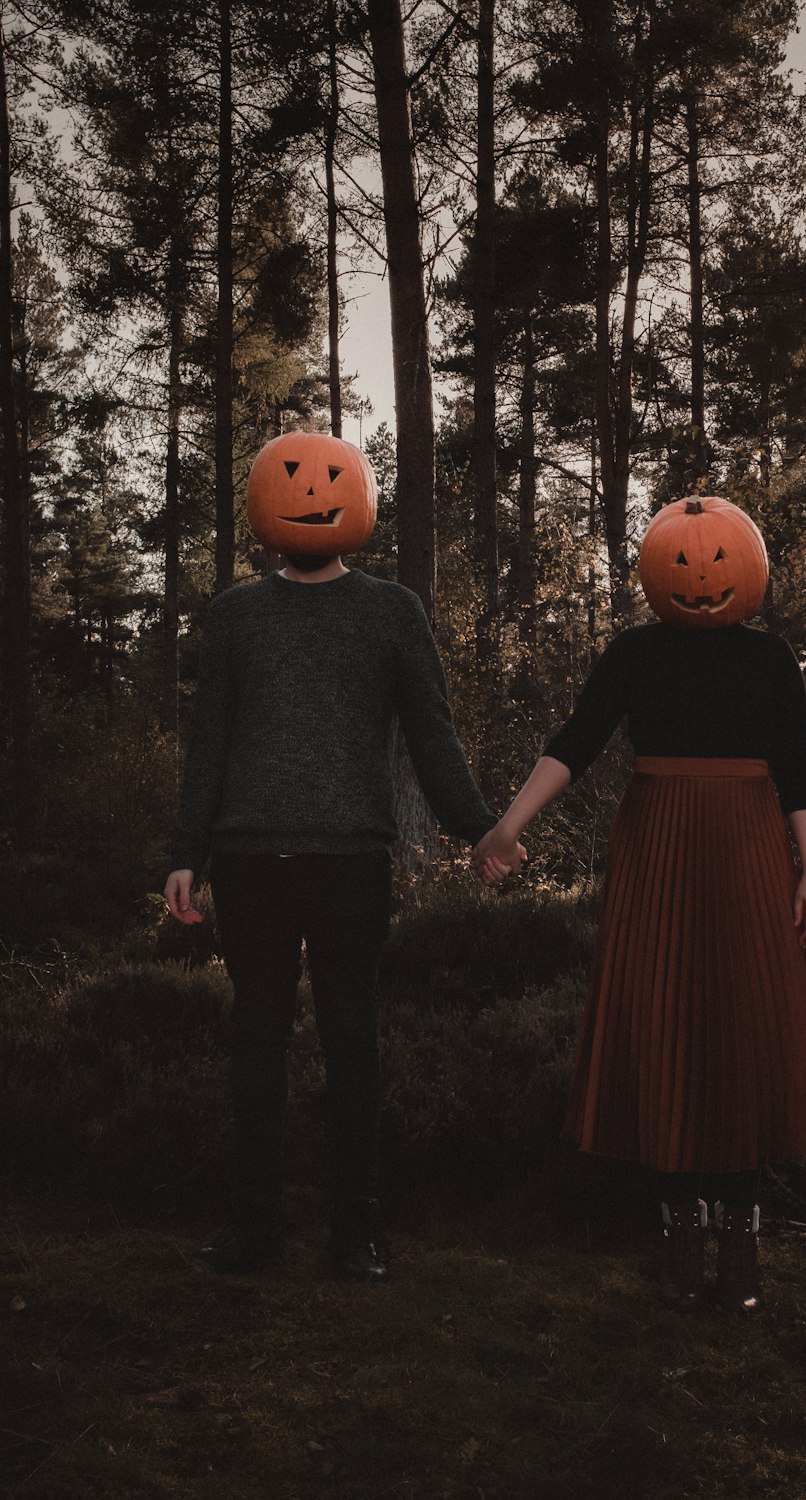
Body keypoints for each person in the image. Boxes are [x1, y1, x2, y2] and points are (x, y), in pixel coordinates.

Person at [473, 496, 806, 1313]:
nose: (701, 580)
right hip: (658, 844)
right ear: (655, 573)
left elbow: (800, 775)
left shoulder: (772, 660)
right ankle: (679, 1232)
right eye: (683, 566)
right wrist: (505, 828)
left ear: (747, 570)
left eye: (715, 566)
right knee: (667, 1015)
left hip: (748, 845)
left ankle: (739, 1229)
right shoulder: (633, 653)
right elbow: (575, 742)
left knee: (741, 1022)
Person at [164, 431, 498, 1280]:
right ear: (262, 504)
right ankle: (254, 1225)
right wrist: (185, 852)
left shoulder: (392, 612)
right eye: (291, 479)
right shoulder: (236, 613)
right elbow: (208, 745)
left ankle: (358, 1232)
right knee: (257, 1041)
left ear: (360, 497)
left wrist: (478, 827)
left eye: (327, 479)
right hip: (249, 858)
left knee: (354, 1040)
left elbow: (433, 735)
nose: (311, 491)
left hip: (352, 859)